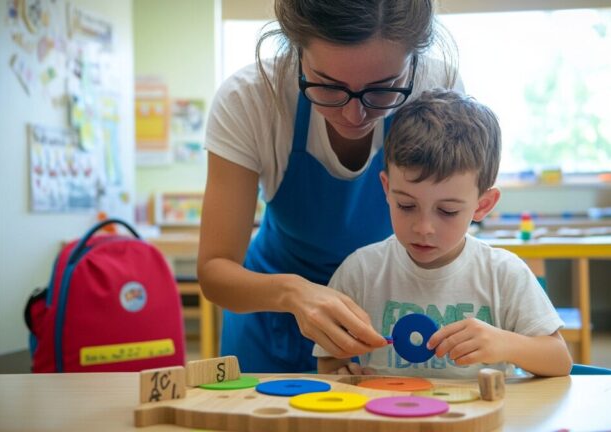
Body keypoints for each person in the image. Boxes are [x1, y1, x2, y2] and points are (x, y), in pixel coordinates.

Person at [198, 0, 461, 372]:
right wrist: (292, 293)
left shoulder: (437, 90)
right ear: (296, 51)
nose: (354, 116)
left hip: (385, 316)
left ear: (413, 63)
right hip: (272, 317)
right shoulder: (252, 100)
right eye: (328, 87)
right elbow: (215, 271)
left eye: (383, 90)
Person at [313, 89, 573, 378]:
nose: (423, 227)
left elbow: (559, 360)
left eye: (447, 211)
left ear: (482, 205)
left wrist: (507, 344)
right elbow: (328, 362)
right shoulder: (359, 273)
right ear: (387, 189)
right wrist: (343, 373)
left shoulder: (503, 274)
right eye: (406, 205)